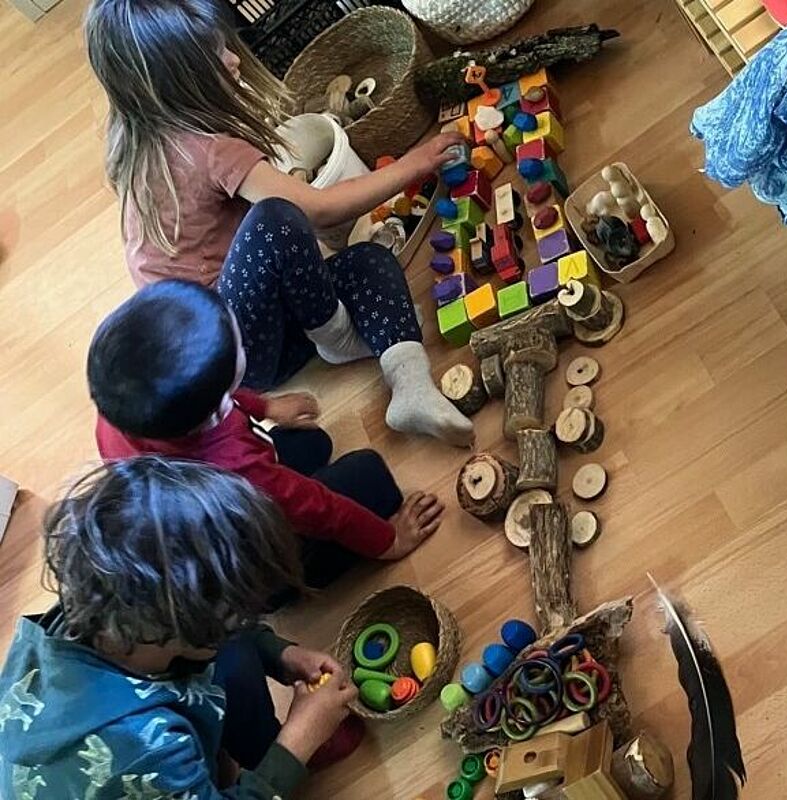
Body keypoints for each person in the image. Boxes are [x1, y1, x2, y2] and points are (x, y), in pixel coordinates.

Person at [83, 0, 474, 447]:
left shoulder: (138, 135)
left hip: (250, 336)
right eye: (217, 56)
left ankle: (411, 385)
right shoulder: (207, 149)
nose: (234, 60)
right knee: (276, 219)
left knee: (369, 260)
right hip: (239, 354)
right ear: (179, 81)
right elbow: (318, 210)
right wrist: (413, 164)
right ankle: (337, 337)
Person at [0, 457, 360, 799]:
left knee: (234, 656)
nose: (247, 619)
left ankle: (244, 756)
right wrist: (298, 742)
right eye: (235, 615)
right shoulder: (143, 749)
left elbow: (225, 636)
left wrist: (279, 653)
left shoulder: (106, 603)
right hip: (128, 770)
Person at [89, 280, 444, 587]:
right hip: (260, 561)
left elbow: (219, 399)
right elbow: (321, 510)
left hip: (215, 510)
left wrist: (266, 407)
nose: (243, 344)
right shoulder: (239, 471)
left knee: (313, 443)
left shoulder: (121, 409)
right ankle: (291, 588)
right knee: (371, 475)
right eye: (239, 348)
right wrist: (390, 541)